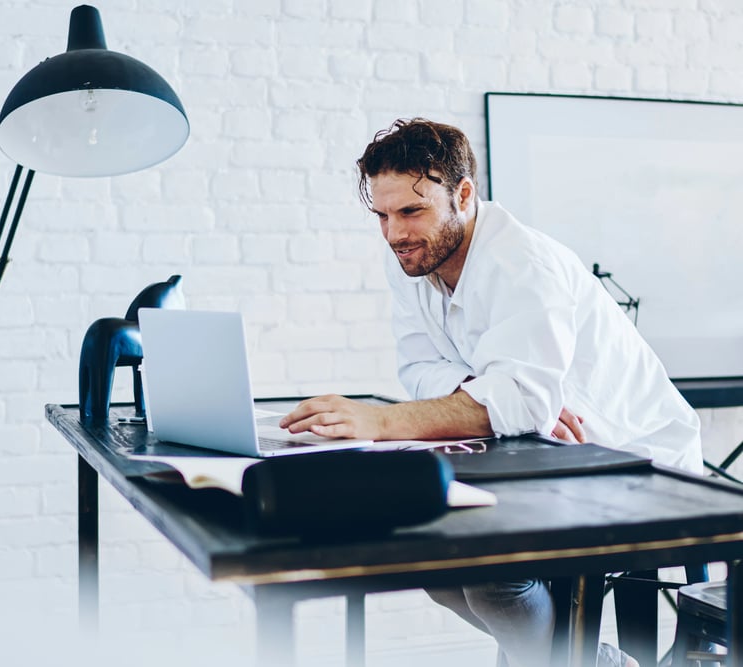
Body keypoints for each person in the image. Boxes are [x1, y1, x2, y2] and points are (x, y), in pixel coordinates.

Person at [279, 118, 704, 667]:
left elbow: (521, 402)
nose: (394, 234)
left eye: (411, 211)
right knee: (433, 558)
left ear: (463, 195)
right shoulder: (413, 258)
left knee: (492, 572)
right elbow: (419, 368)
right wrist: (500, 397)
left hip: (638, 462)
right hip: (547, 457)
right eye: (382, 216)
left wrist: (385, 420)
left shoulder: (521, 263)